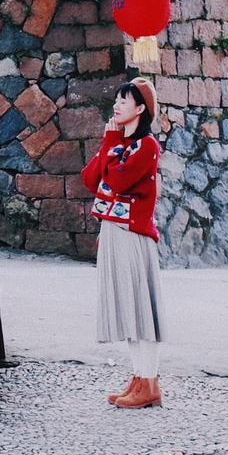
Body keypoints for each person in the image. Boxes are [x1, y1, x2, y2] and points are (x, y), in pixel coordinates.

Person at [82, 77, 165, 409]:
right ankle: (139, 376)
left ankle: (150, 382)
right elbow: (91, 178)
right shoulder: (118, 144)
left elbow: (116, 178)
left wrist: (112, 143)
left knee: (141, 311)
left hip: (133, 235)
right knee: (128, 311)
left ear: (140, 109)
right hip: (114, 231)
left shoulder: (146, 146)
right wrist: (109, 144)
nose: (117, 105)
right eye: (116, 99)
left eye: (125, 101)